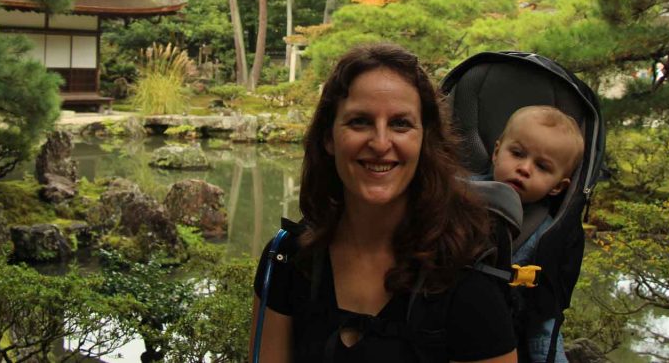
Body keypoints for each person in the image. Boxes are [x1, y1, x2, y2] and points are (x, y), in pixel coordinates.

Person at [250, 43, 518, 363]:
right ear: (328, 138)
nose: (380, 143)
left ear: (424, 140)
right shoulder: (289, 258)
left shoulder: (465, 272)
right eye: (360, 121)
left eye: (400, 124)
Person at [490, 105, 585, 363]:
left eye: (542, 167)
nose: (524, 168)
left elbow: (543, 321)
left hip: (497, 329)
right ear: (496, 152)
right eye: (517, 153)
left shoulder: (548, 235)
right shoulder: (455, 193)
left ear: (558, 187)